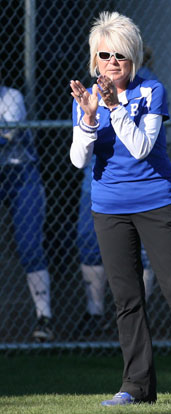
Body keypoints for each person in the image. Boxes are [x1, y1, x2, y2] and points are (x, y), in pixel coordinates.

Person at [69, 11, 171, 406]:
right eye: (105, 55)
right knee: (127, 298)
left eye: (121, 56)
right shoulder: (86, 98)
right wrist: (90, 118)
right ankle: (136, 387)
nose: (112, 63)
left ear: (134, 59)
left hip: (156, 202)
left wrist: (116, 106)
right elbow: (78, 159)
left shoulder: (151, 90)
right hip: (108, 208)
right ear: (95, 60)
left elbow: (141, 148)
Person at [75, 155, 154, 338]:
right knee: (89, 242)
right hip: (98, 180)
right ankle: (94, 314)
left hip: (141, 182)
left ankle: (137, 318)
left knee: (141, 252)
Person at [0, 83, 53, 342]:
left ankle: (45, 318)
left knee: (30, 246)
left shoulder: (12, 97)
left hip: (21, 175)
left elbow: (6, 135)